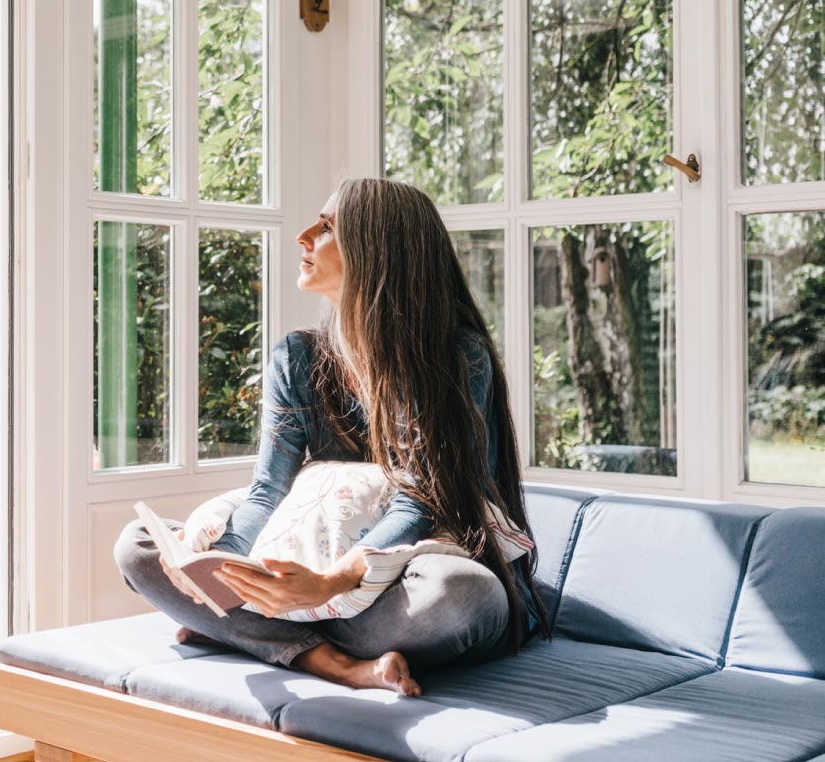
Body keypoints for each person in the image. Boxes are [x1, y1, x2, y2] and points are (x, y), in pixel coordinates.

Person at [113, 177, 551, 696]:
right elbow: (267, 492)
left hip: (393, 579)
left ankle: (261, 635)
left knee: (459, 595)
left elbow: (420, 504)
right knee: (139, 547)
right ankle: (331, 662)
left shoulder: (456, 357)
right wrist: (223, 571)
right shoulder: (297, 357)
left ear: (376, 250)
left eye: (325, 227)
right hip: (325, 596)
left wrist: (328, 584)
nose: (303, 236)